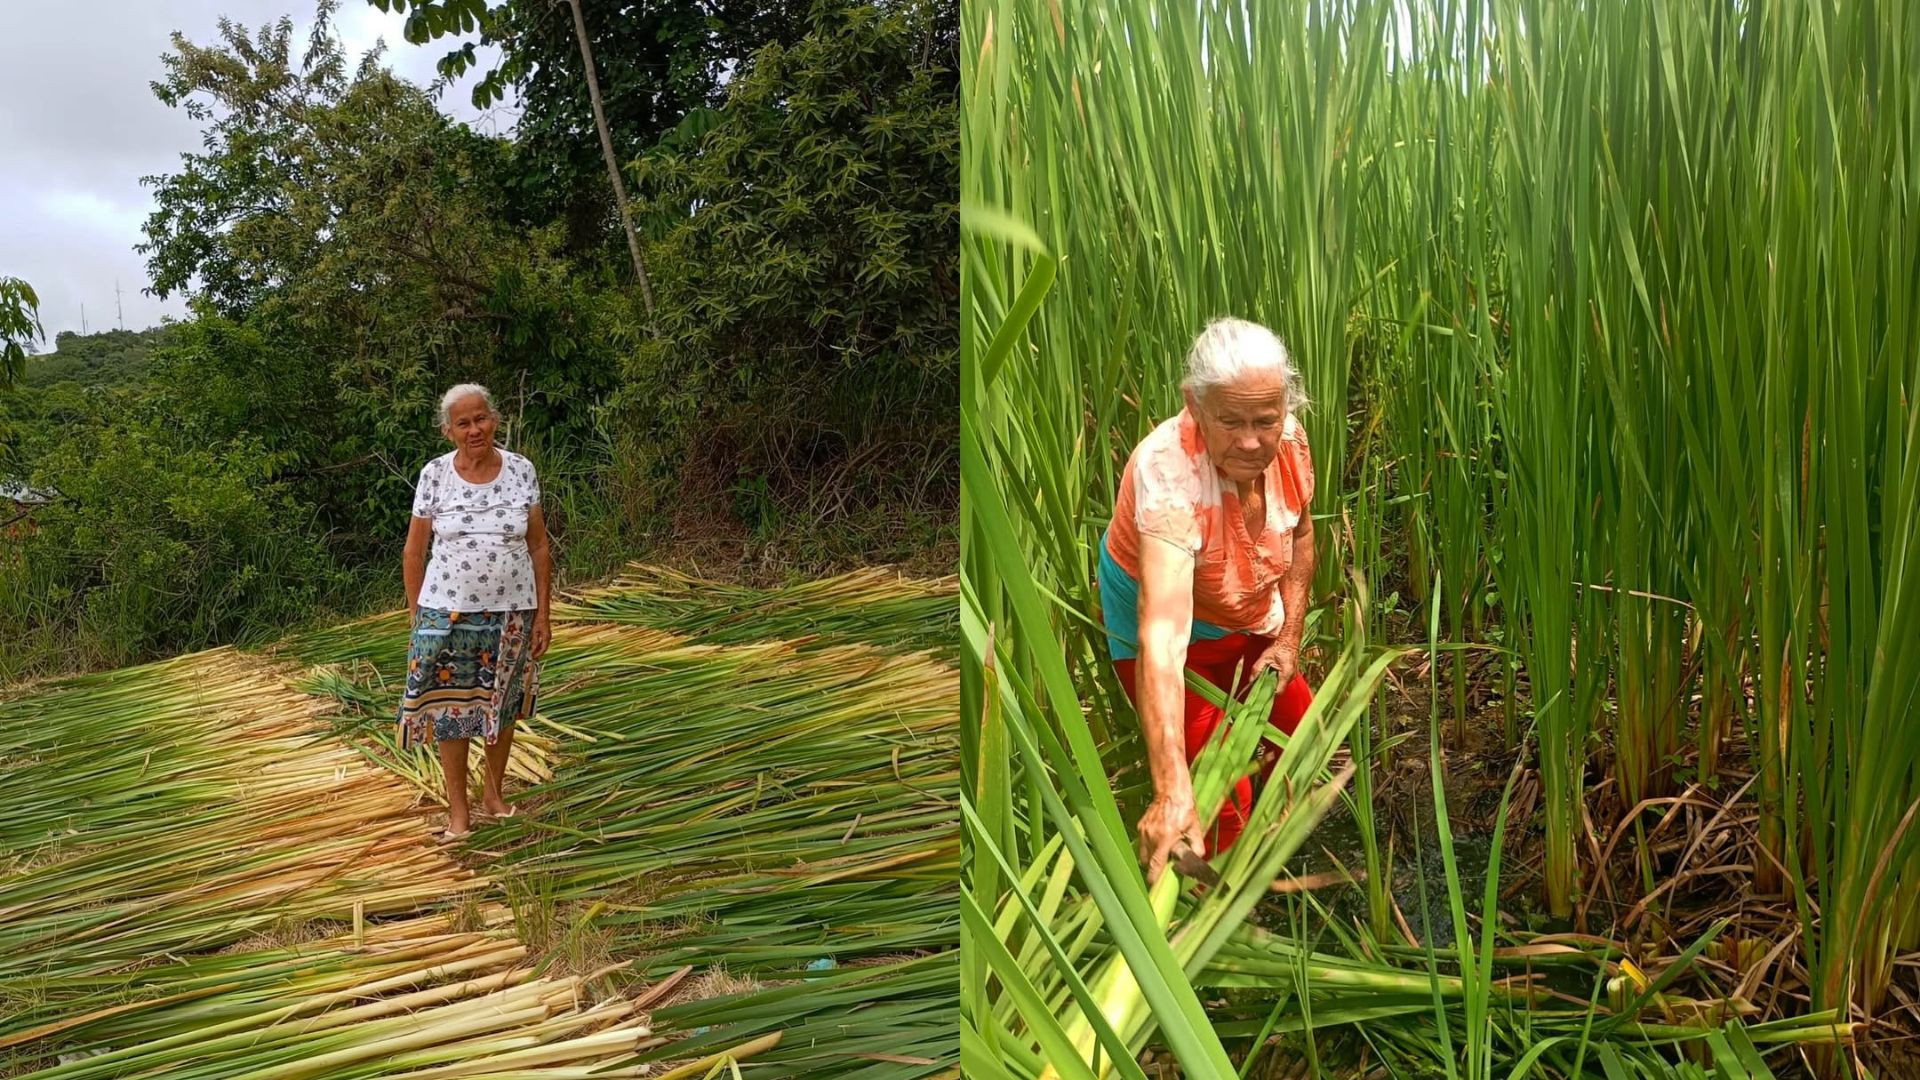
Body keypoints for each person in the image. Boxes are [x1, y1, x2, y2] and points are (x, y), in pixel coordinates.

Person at [1099, 317, 1317, 885]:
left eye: (1264, 420)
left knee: (1300, 736)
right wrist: (1171, 789)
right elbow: (1164, 637)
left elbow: (1300, 534)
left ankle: (1278, 854)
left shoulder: (1288, 440)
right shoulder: (1170, 477)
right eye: (1231, 420)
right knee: (1222, 797)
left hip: (1246, 610)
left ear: (1284, 409)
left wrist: (1289, 635)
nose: (1251, 440)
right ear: (1194, 404)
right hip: (1179, 635)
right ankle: (1220, 917)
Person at [397, 384, 552, 839]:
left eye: (480, 418)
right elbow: (414, 551)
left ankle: (494, 796)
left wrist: (543, 614)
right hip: (447, 614)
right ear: (449, 432)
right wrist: (415, 615)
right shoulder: (434, 476)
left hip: (513, 612)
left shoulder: (521, 470)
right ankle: (458, 815)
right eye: (463, 423)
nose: (474, 430)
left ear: (495, 420)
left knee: (501, 707)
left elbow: (539, 545)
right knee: (451, 713)